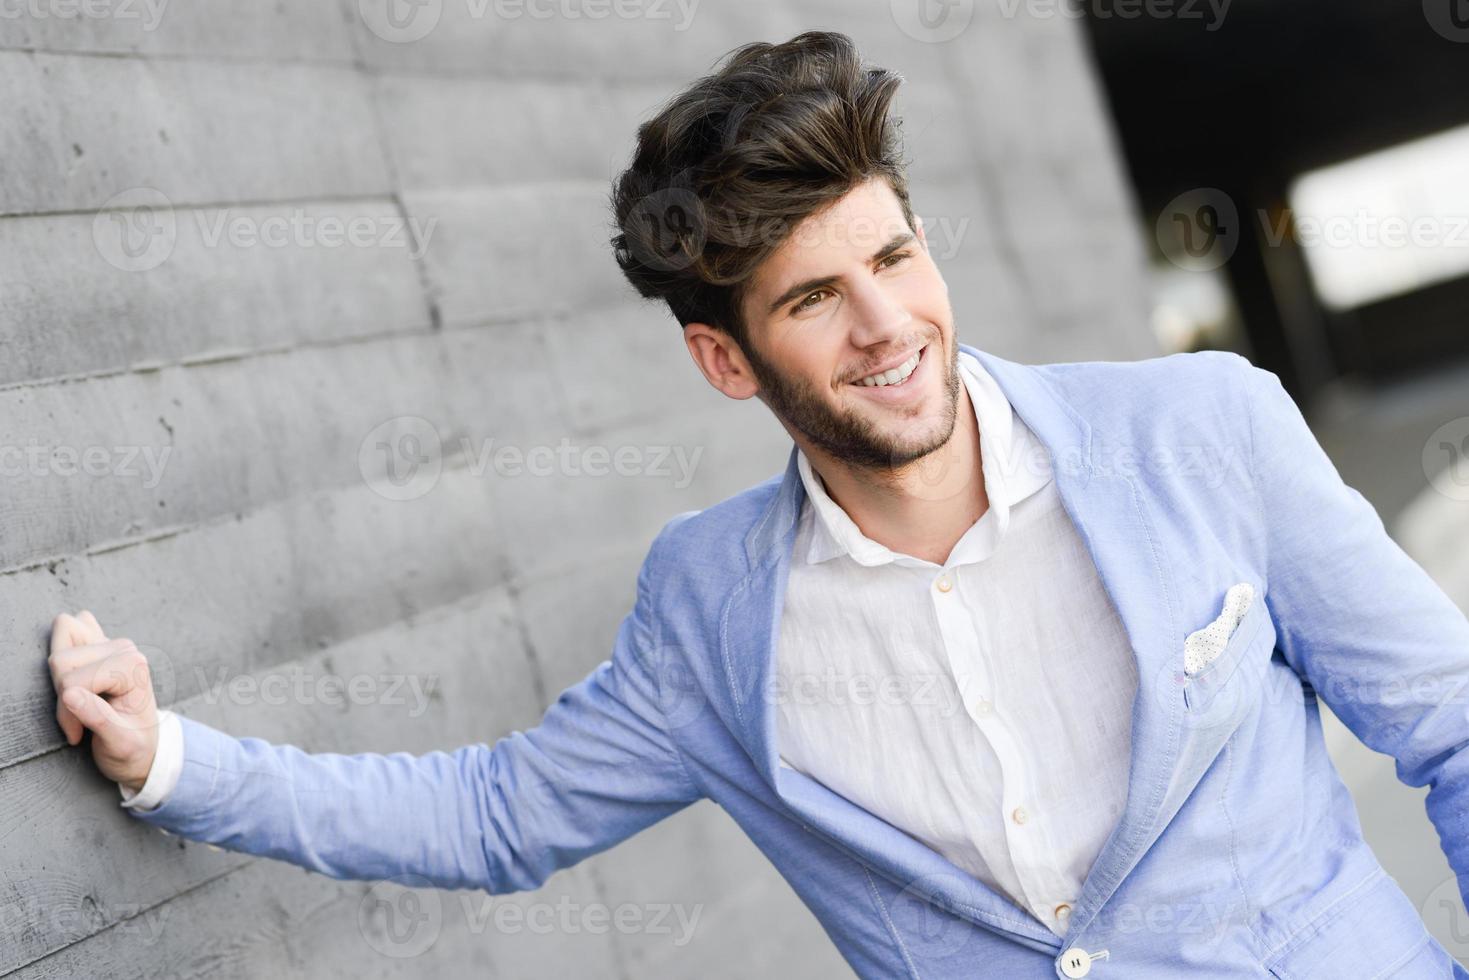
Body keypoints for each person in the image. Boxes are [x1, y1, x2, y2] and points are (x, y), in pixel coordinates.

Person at [48, 31, 1469, 978]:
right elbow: (491, 816)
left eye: (895, 256)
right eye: (813, 298)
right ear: (725, 358)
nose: (889, 324)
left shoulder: (1197, 430)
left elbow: (1447, 726)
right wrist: (166, 756)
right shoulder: (710, 614)